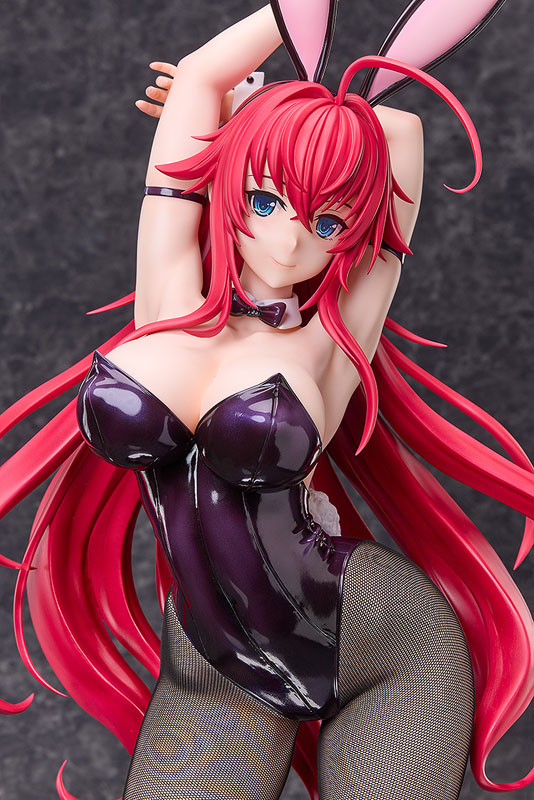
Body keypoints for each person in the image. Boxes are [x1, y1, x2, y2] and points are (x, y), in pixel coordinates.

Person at [1, 3, 532, 799]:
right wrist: (251, 115)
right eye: (265, 202)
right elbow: (202, 74)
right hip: (218, 666)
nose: (289, 242)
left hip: (383, 649)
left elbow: (399, 133)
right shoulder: (167, 293)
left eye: (327, 222)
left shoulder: (330, 344)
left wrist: (290, 120)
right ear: (229, 184)